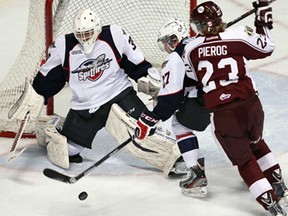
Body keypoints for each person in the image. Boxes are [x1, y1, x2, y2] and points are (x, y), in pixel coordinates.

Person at [8, 8, 184, 176]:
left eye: (88, 33)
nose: (84, 38)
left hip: (120, 95)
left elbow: (137, 63)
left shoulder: (115, 34)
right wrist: (36, 96)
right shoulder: (63, 46)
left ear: (98, 28)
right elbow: (48, 79)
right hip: (85, 107)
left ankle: (175, 156)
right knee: (68, 152)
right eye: (80, 34)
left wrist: (151, 81)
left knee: (144, 130)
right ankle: (49, 126)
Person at [182, 1, 288, 215]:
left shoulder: (191, 49)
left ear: (200, 26)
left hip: (224, 115)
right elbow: (267, 47)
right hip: (251, 106)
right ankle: (280, 187)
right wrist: (262, 20)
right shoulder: (238, 36)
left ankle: (274, 209)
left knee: (246, 162)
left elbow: (194, 77)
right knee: (257, 145)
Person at [134, 19, 210, 197]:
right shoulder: (201, 41)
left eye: (166, 44)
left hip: (206, 99)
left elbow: (171, 98)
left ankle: (196, 174)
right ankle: (261, 172)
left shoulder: (175, 56)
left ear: (174, 40)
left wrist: (152, 118)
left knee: (179, 124)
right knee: (232, 135)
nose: (166, 49)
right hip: (236, 93)